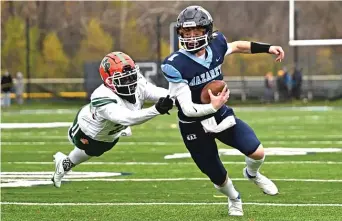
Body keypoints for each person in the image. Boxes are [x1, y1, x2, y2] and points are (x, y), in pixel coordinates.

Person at [162, 6, 285, 216]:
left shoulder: (217, 44)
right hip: (194, 125)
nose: (191, 37)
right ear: (180, 33)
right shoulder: (175, 65)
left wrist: (267, 48)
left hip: (219, 114)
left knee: (257, 153)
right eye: (186, 32)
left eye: (197, 31)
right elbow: (188, 109)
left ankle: (252, 174)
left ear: (207, 31)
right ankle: (234, 198)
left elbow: (236, 46)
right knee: (217, 175)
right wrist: (212, 106)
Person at [52, 52, 173, 188]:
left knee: (100, 148)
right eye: (124, 79)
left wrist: (180, 98)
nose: (131, 83)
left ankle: (64, 164)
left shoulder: (137, 81)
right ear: (109, 81)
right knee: (89, 147)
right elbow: (127, 118)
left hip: (113, 130)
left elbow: (157, 92)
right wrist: (156, 109)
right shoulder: (101, 96)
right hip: (87, 128)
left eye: (131, 77)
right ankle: (64, 163)